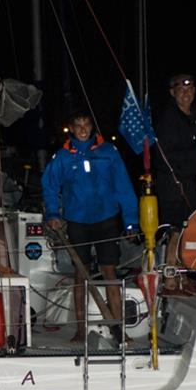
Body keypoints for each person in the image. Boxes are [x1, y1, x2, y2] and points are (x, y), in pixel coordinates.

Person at [41, 109, 139, 342]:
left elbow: (123, 186)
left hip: (106, 220)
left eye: (87, 124)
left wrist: (131, 221)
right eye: (79, 125)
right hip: (77, 221)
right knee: (80, 275)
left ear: (92, 127)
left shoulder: (108, 152)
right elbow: (50, 186)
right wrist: (53, 213)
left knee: (110, 273)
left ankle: (119, 330)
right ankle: (80, 329)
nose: (83, 129)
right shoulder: (63, 157)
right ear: (72, 129)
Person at [153, 73, 196, 290]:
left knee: (189, 227)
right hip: (172, 181)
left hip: (190, 180)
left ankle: (182, 274)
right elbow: (165, 155)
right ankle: (170, 277)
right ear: (173, 93)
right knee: (176, 229)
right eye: (181, 90)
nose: (186, 94)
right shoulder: (168, 119)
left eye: (189, 89)